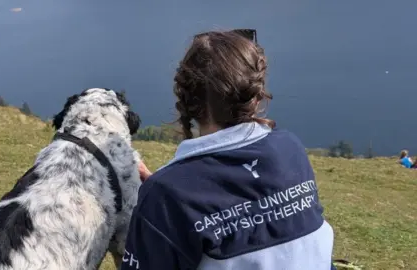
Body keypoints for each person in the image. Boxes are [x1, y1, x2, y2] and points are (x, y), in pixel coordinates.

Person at [124, 30, 334, 270]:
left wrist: (163, 199)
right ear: (255, 96)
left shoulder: (167, 194)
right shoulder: (290, 148)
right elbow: (251, 209)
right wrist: (166, 196)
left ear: (186, 99)